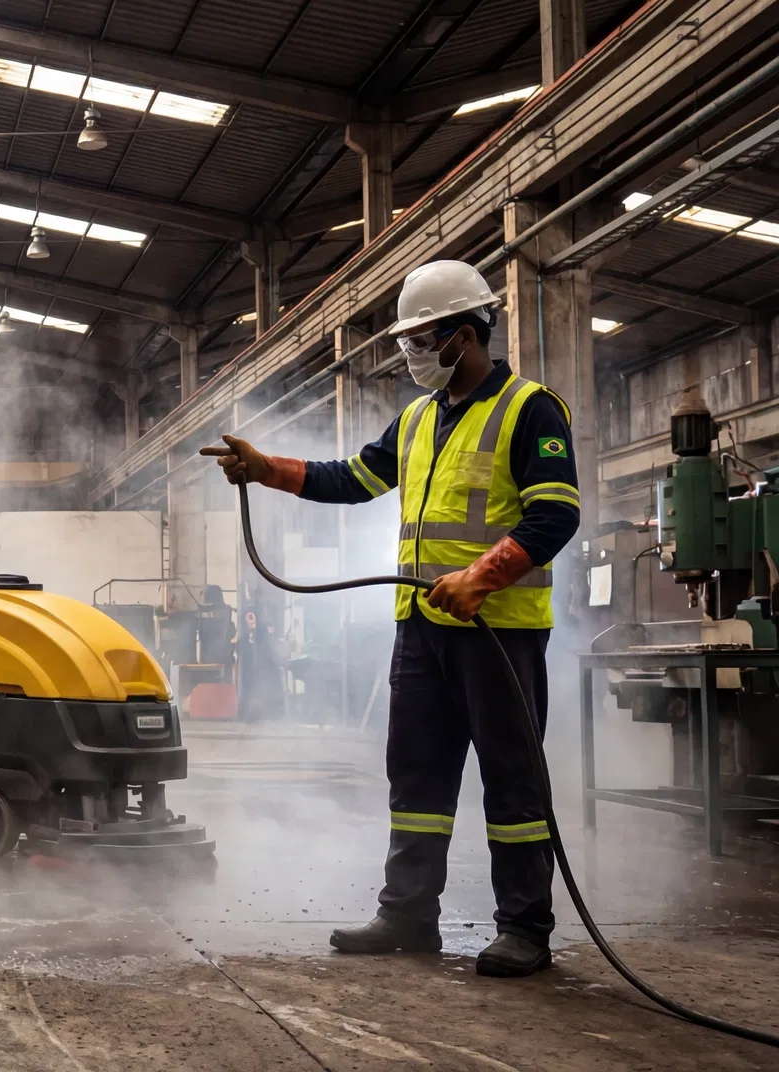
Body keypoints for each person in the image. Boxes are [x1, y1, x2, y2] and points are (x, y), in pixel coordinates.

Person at [200, 259, 579, 978]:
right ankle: (408, 914)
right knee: (417, 776)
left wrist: (482, 577)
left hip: (499, 632)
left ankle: (524, 926)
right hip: (422, 626)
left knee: (512, 781)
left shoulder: (530, 409)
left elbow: (556, 513)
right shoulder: (417, 419)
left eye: (421, 338)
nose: (409, 353)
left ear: (466, 336)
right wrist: (265, 470)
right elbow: (353, 479)